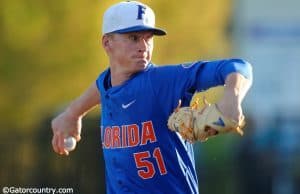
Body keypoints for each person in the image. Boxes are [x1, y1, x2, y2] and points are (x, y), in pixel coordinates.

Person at [51, 1, 253, 193]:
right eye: (133, 38)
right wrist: (72, 113)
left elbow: (238, 67)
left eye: (148, 38)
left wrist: (232, 97)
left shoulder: (162, 81)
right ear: (107, 43)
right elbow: (102, 88)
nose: (144, 46)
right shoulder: (107, 83)